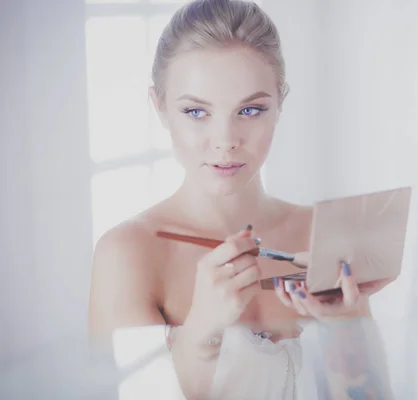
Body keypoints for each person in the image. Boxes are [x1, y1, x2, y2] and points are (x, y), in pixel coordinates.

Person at [88, 0, 394, 398]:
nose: (226, 141)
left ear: (280, 103)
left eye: (250, 109)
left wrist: (347, 325)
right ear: (160, 107)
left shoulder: (324, 234)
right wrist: (202, 331)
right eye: (197, 112)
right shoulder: (127, 254)